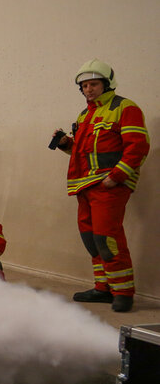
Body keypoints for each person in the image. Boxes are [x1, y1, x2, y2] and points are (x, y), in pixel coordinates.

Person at [51, 58, 150, 312]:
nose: (88, 89)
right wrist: (65, 144)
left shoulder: (125, 108)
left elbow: (138, 146)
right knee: (91, 240)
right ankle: (103, 288)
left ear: (107, 84)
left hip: (109, 186)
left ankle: (123, 292)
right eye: (84, 86)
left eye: (93, 84)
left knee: (108, 238)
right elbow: (83, 154)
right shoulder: (85, 114)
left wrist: (116, 177)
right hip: (85, 187)